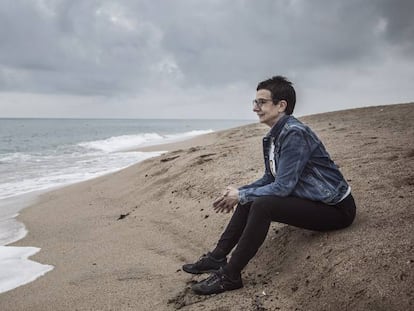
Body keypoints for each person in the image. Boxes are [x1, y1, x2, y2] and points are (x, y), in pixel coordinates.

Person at [182, 76, 356, 295]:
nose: (255, 108)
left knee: (263, 204)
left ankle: (230, 275)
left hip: (336, 209)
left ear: (281, 105)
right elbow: (269, 178)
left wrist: (242, 195)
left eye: (261, 102)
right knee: (251, 198)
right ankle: (217, 258)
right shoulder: (273, 137)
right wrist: (240, 193)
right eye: (255, 102)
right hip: (312, 200)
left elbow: (282, 187)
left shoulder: (294, 133)